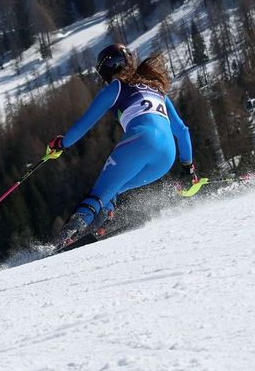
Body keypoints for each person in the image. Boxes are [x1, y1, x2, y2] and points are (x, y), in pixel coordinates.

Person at [46, 43, 199, 248]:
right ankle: (103, 224)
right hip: (166, 156)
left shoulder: (116, 88)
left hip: (140, 141)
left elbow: (83, 126)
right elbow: (182, 130)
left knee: (98, 194)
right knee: (114, 189)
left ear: (106, 71)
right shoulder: (157, 89)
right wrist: (188, 168)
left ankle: (62, 240)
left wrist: (61, 144)